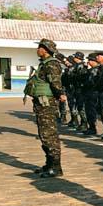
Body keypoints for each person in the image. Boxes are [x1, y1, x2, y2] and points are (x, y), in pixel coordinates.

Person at [25, 38, 67, 178]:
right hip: (41, 103)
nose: (37, 50)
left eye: (40, 47)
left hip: (47, 104)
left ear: (46, 49)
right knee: (44, 135)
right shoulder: (44, 64)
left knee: (49, 135)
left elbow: (55, 82)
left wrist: (60, 94)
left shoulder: (52, 64)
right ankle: (49, 164)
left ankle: (56, 167)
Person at [82, 53, 101, 136]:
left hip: (92, 93)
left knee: (91, 111)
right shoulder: (92, 70)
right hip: (89, 93)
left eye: (90, 60)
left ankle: (92, 128)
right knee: (89, 111)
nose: (88, 62)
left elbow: (90, 82)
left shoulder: (95, 70)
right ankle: (91, 127)